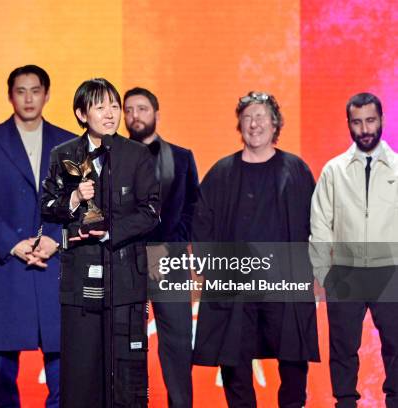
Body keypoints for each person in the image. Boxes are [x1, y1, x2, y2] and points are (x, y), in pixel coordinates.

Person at [192, 91, 320, 407]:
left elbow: (317, 223)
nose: (254, 123)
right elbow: (201, 224)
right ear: (240, 124)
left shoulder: (296, 170)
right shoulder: (221, 173)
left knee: (293, 359)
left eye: (261, 116)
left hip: (285, 282)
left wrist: (315, 269)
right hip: (236, 285)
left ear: (275, 123)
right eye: (248, 117)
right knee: (233, 359)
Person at [41, 78, 160, 407]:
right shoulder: (63, 154)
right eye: (99, 106)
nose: (110, 114)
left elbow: (151, 211)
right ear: (82, 113)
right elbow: (48, 208)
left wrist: (110, 231)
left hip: (125, 280)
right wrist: (76, 197)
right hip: (80, 281)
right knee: (81, 374)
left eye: (113, 106)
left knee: (125, 375)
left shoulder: (136, 155)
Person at [0, 65, 75, 407]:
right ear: (10, 95)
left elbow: (81, 198)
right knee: (4, 354)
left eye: (35, 90)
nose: (28, 98)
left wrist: (54, 238)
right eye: (21, 91)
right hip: (7, 261)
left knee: (59, 349)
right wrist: (13, 243)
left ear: (47, 94)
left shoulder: (69, 143)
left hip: (53, 258)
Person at [310, 92, 398, 407]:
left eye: (370, 120)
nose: (364, 129)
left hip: (391, 270)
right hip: (345, 271)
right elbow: (320, 224)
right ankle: (344, 402)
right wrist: (323, 272)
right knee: (342, 348)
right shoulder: (334, 170)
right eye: (357, 122)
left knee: (396, 346)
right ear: (349, 123)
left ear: (382, 120)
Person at [123, 87, 198, 408]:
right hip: (126, 261)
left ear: (156, 113)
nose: (134, 115)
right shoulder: (112, 158)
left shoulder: (182, 158)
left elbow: (193, 210)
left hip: (172, 261)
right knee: (127, 344)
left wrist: (167, 248)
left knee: (178, 343)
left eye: (141, 108)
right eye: (128, 110)